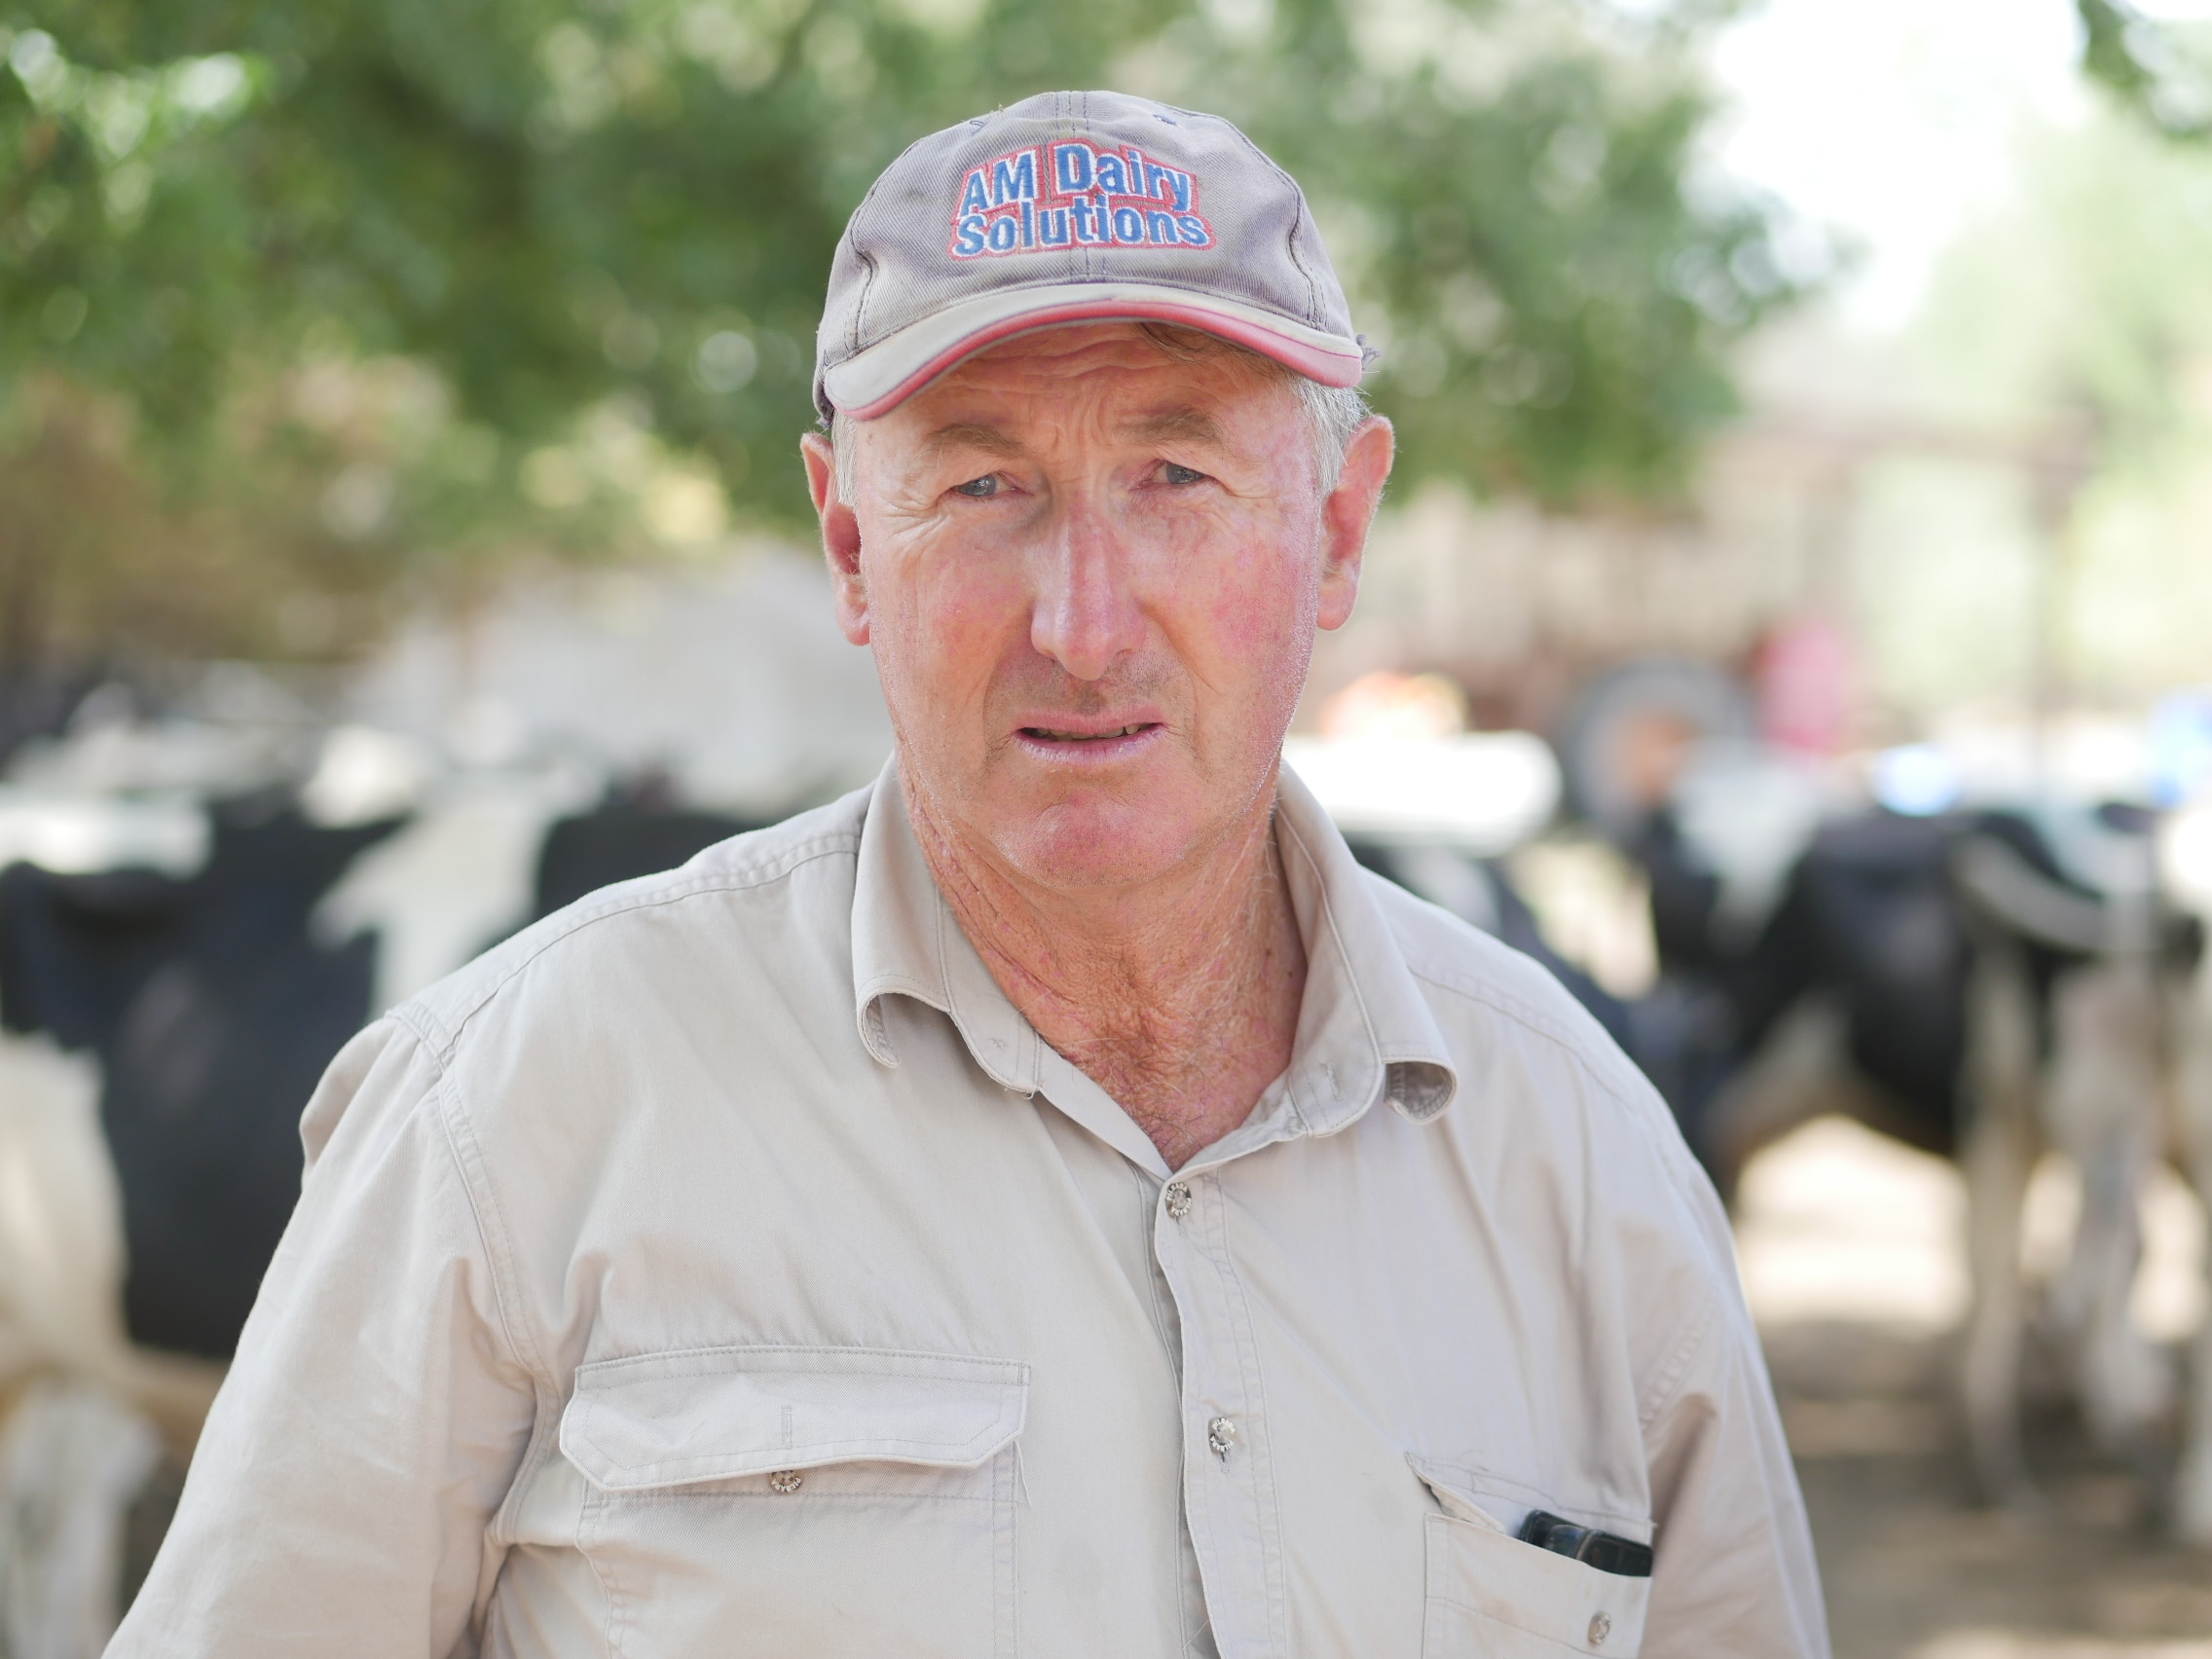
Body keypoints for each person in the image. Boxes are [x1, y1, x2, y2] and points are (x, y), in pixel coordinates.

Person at [110, 91, 1827, 1657]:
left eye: (1178, 474)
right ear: (852, 544)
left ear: (1337, 533)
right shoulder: (520, 1113)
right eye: (985, 482)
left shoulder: (1581, 1159)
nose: (1083, 627)